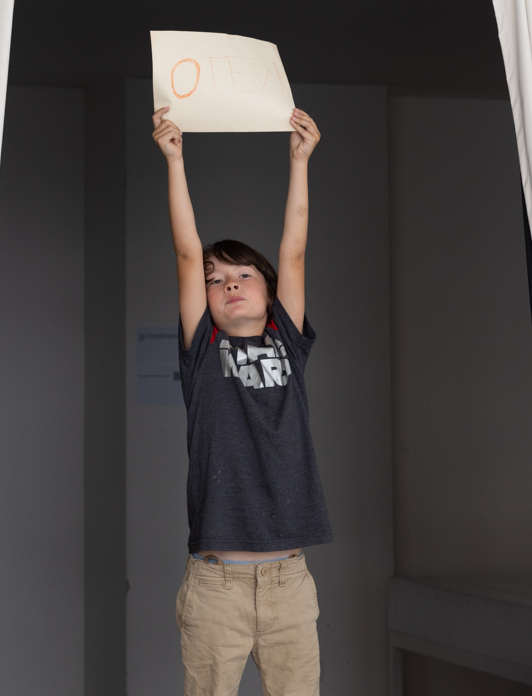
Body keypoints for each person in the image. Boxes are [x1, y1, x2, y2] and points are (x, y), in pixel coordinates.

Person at [151, 102, 328, 696]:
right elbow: (186, 250)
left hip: (288, 582)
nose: (229, 283)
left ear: (270, 291)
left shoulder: (288, 342)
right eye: (215, 279)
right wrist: (175, 161)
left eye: (244, 274)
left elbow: (294, 250)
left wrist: (299, 161)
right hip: (216, 585)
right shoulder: (203, 350)